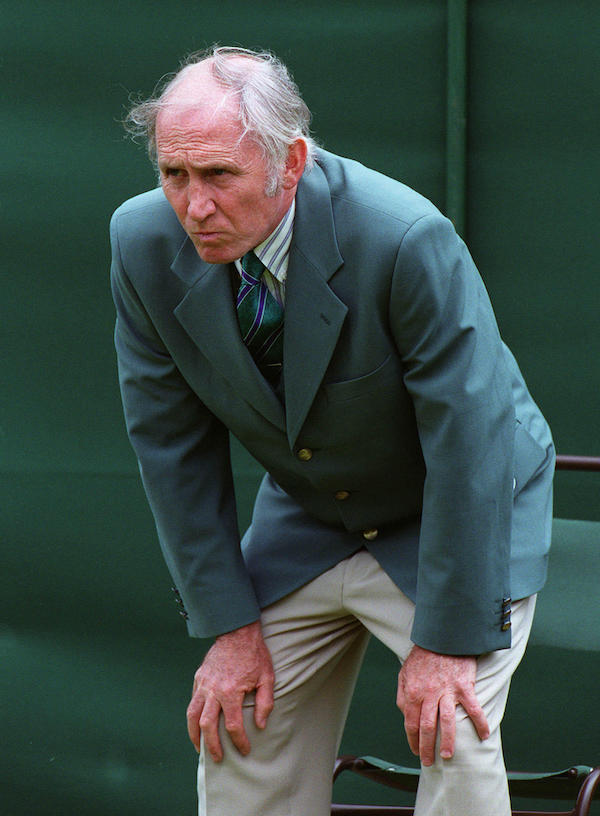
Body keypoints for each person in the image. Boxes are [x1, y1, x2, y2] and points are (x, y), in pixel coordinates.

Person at [110, 46, 555, 816]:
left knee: (453, 730)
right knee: (237, 719)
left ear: (292, 163)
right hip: (312, 516)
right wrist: (230, 624)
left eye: (219, 175)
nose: (194, 205)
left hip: (460, 509)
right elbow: (169, 444)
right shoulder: (141, 242)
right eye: (173, 175)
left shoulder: (405, 236)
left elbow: (469, 443)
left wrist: (446, 644)